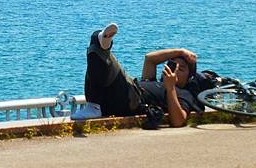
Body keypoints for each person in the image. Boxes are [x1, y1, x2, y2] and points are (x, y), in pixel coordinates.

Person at [71, 23, 200, 127]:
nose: (175, 71)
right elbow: (150, 59)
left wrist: (170, 87)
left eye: (181, 69)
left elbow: (178, 121)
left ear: (189, 77)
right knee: (96, 61)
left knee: (101, 50)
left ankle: (104, 45)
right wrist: (180, 51)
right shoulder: (152, 80)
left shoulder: (184, 94)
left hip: (131, 97)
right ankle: (93, 105)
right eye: (173, 66)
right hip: (115, 98)